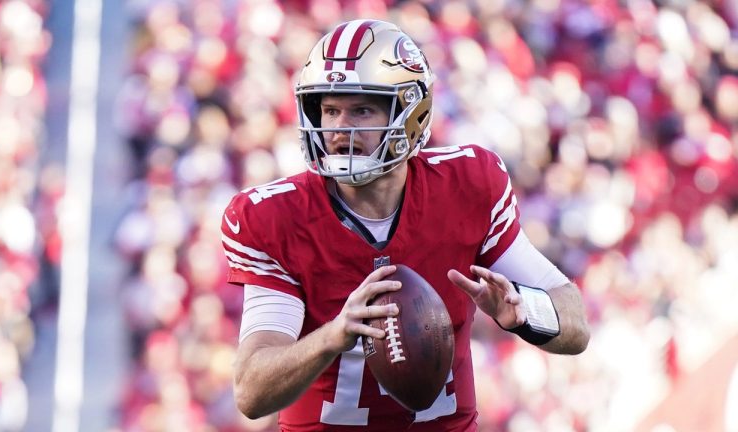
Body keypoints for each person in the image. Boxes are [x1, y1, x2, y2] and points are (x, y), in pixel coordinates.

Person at [222, 19, 590, 431]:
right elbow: (251, 393)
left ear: (410, 111)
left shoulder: (467, 184)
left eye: (361, 109)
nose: (340, 129)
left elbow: (575, 325)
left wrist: (526, 310)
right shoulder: (276, 217)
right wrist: (333, 335)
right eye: (329, 110)